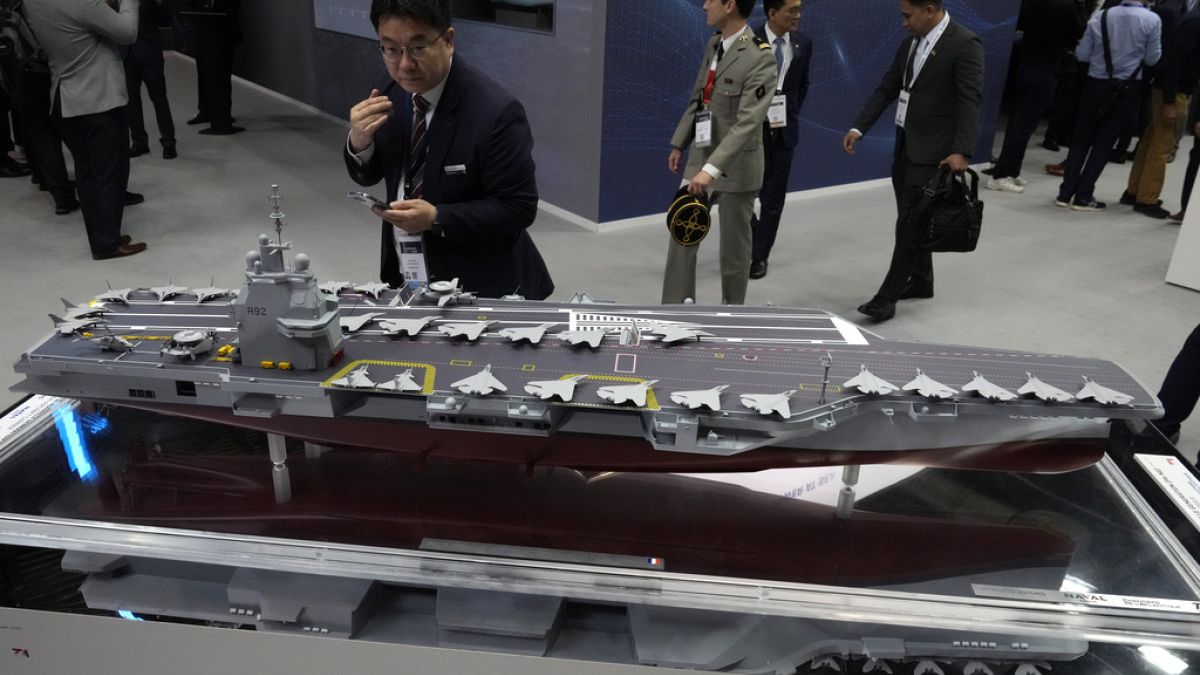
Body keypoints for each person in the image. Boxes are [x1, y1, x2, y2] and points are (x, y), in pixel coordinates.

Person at [344, 0, 553, 300]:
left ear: (448, 41)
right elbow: (370, 173)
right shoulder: (391, 89)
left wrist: (437, 217)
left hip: (482, 285)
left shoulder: (496, 111)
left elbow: (518, 208)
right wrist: (359, 143)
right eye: (390, 49)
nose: (404, 65)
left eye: (418, 48)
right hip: (406, 274)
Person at [841, 0, 983, 322]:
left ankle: (886, 299)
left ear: (930, 10)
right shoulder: (911, 44)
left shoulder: (965, 44)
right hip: (906, 148)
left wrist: (962, 150)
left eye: (908, 16)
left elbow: (970, 100)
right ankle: (922, 280)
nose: (904, 23)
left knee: (908, 224)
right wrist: (858, 126)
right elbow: (888, 88)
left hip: (935, 154)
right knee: (912, 219)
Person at [663, 0, 776, 305]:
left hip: (736, 168)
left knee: (734, 254)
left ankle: (732, 318)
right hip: (700, 158)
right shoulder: (714, 45)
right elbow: (699, 97)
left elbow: (748, 123)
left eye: (711, 0)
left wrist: (710, 170)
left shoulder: (760, 58)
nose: (703, 6)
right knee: (681, 237)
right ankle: (674, 312)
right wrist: (680, 142)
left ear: (729, 5)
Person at [24, 0, 148, 260]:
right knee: (108, 173)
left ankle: (105, 236)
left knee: (90, 173)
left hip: (66, 96)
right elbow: (127, 32)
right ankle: (106, 244)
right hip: (95, 99)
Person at [1055, 0, 1161, 212]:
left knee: (1080, 138)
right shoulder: (1152, 20)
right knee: (1104, 142)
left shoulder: (1101, 16)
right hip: (1127, 88)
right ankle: (1084, 196)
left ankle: (1065, 193)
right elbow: (1152, 59)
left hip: (1095, 83)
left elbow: (1082, 54)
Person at [986, 0, 1081, 194]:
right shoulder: (1068, 7)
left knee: (1018, 123)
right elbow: (1078, 30)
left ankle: (1010, 169)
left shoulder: (1033, 4)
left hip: (1026, 65)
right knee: (1024, 126)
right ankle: (1002, 175)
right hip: (1046, 68)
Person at [748, 0, 812, 280]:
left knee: (773, 201)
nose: (797, 16)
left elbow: (802, 85)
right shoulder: (748, 40)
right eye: (792, 11)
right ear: (772, 13)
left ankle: (760, 256)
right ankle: (752, 233)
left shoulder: (803, 44)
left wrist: (791, 110)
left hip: (784, 132)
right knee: (741, 194)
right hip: (750, 131)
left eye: (800, 10)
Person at [1122, 4, 1200, 218]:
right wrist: (1169, 100)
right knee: (1162, 146)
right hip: (1174, 92)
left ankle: (1134, 190)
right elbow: (1177, 61)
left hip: (1166, 88)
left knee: (1150, 141)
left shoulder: (1191, 19)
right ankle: (1147, 198)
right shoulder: (1196, 23)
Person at [125, 0, 177, 158]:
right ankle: (139, 142)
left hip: (149, 51)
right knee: (131, 101)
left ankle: (169, 142)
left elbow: (166, 19)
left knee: (159, 98)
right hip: (125, 54)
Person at [181, 0, 241, 135]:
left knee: (219, 77)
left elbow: (229, 9)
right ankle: (206, 111)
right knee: (203, 74)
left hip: (221, 36)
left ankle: (222, 119)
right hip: (203, 34)